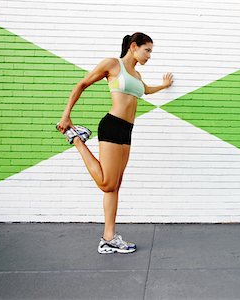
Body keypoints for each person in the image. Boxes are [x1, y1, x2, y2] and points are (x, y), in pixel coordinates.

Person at [56, 32, 174, 254]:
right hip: (111, 125)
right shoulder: (112, 64)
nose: (150, 55)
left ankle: (108, 238)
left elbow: (146, 90)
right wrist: (66, 115)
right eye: (147, 50)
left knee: (115, 185)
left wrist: (164, 86)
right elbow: (82, 83)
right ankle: (77, 139)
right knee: (107, 184)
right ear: (133, 46)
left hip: (126, 131)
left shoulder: (137, 76)